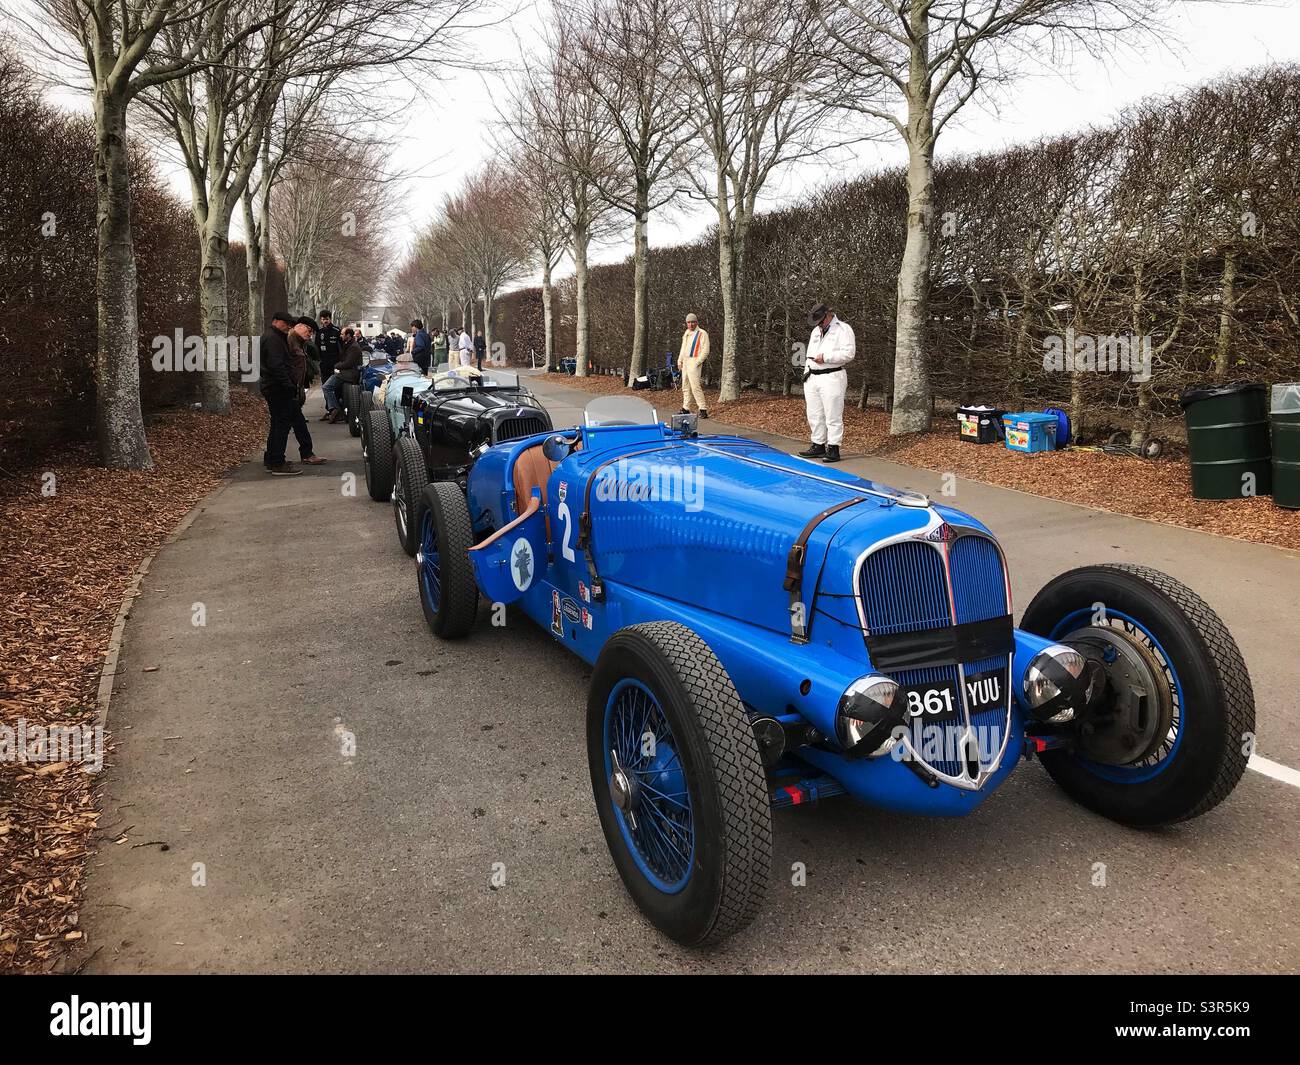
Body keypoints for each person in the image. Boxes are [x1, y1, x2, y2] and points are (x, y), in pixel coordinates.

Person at [798, 302, 856, 464]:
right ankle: (818, 444)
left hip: (832, 376)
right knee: (814, 413)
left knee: (833, 414)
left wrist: (826, 357)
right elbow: (810, 353)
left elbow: (849, 354)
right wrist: (807, 373)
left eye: (820, 320)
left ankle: (834, 447)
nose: (819, 324)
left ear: (828, 315)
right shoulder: (816, 331)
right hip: (813, 376)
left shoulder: (843, 329)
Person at [259, 311, 302, 475]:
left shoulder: (273, 336)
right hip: (277, 387)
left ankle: (271, 458)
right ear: (276, 321)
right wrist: (288, 385)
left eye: (290, 324)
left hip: (274, 386)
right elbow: (277, 365)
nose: (288, 327)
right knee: (282, 424)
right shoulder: (273, 339)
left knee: (277, 422)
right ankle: (277, 461)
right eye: (286, 323)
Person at [286, 316, 326, 466]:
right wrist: (291, 388)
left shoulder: (300, 343)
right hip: (289, 391)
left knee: (286, 426)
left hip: (295, 390)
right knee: (297, 424)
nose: (310, 334)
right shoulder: (289, 341)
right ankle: (306, 453)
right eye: (309, 331)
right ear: (299, 326)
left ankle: (273, 457)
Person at [322, 327, 363, 422]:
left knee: (327, 387)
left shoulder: (353, 347)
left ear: (348, 335)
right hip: (346, 372)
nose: (340, 336)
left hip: (348, 374)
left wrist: (336, 366)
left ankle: (334, 408)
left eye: (342, 334)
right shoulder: (349, 344)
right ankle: (337, 409)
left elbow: (348, 363)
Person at [677, 312, 709, 419]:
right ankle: (686, 408)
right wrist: (680, 361)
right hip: (685, 362)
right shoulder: (686, 333)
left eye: (692, 322)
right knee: (685, 386)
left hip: (694, 362)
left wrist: (697, 362)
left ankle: (703, 409)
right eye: (688, 322)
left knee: (695, 386)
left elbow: (705, 350)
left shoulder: (702, 333)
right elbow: (683, 348)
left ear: (696, 322)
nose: (690, 324)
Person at [315, 310, 342, 385]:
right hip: (324, 362)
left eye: (327, 319)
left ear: (330, 319)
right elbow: (316, 346)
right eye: (323, 319)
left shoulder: (337, 331)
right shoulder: (319, 332)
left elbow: (341, 346)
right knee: (325, 383)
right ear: (321, 320)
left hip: (335, 361)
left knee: (335, 383)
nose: (325, 321)